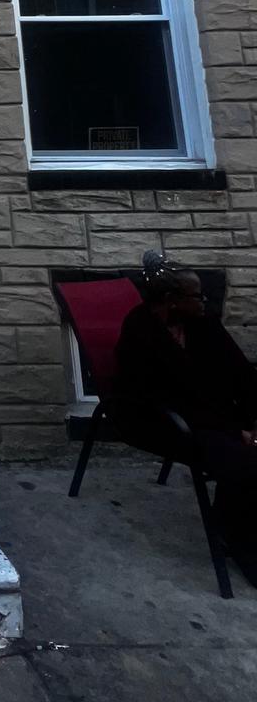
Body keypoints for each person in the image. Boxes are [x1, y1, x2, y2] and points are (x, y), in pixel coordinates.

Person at [114, 250, 257, 585]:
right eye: (197, 296)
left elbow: (241, 372)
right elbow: (163, 397)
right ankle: (241, 542)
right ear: (172, 300)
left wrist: (252, 420)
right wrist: (235, 429)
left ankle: (233, 520)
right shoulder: (141, 332)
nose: (204, 301)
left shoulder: (202, 323)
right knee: (244, 462)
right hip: (161, 420)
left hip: (214, 416)